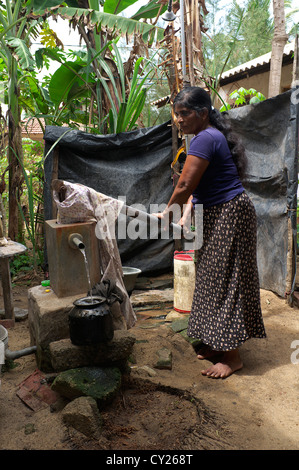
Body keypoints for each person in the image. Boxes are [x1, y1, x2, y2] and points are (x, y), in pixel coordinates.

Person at [154, 86, 266, 379]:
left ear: (203, 113)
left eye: (185, 113)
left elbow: (184, 186)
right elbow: (197, 190)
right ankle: (218, 342)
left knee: (227, 278)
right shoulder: (204, 138)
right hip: (216, 212)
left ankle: (233, 356)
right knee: (209, 275)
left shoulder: (205, 138)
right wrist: (185, 214)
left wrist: (167, 214)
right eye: (176, 114)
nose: (179, 119)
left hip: (230, 213)